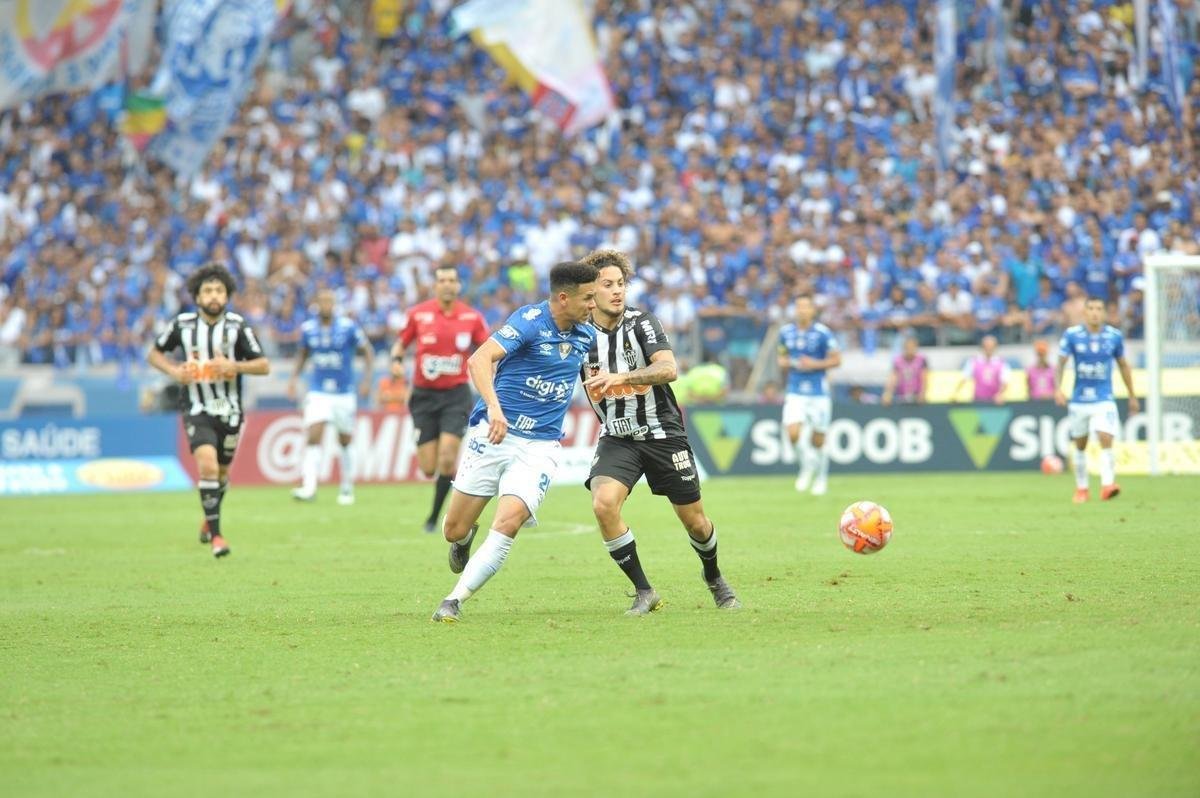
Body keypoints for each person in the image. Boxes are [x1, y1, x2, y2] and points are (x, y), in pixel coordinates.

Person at [430, 261, 598, 623]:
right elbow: (479, 360)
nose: (593, 305)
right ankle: (463, 540)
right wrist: (494, 408)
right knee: (454, 529)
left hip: (541, 446)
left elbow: (597, 376)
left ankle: (453, 600)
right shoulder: (530, 321)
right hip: (496, 433)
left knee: (509, 521)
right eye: (587, 298)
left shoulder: (588, 335)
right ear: (564, 298)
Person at [577, 249, 739, 615]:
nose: (617, 291)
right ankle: (644, 590)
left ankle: (713, 576)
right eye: (608, 285)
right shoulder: (578, 334)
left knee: (695, 521)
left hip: (663, 432)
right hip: (618, 436)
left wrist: (621, 377)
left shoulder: (642, 323)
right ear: (591, 291)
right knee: (603, 505)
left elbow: (668, 369)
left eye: (621, 284)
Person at [147, 263, 270, 558]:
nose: (214, 295)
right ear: (197, 296)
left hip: (229, 410)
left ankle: (209, 516)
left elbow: (264, 365)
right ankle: (217, 537)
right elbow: (154, 354)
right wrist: (175, 372)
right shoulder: (182, 325)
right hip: (196, 406)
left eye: (219, 290)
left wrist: (234, 366)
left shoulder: (238, 326)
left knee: (222, 474)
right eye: (208, 291)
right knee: (208, 467)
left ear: (227, 295)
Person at [391, 265, 490, 533]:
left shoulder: (472, 317)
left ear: (458, 285)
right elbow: (401, 343)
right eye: (442, 280)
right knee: (427, 467)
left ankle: (435, 518)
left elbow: (487, 349)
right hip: (423, 397)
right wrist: (396, 361)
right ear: (435, 286)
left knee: (447, 457)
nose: (447, 284)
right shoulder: (418, 314)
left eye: (452, 280)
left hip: (455, 395)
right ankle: (439, 507)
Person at [286, 288, 374, 505]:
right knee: (313, 435)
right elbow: (302, 355)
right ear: (316, 304)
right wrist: (293, 379)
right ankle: (309, 487)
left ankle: (347, 486)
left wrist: (366, 380)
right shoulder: (308, 329)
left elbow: (368, 352)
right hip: (318, 391)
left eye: (329, 301)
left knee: (344, 440)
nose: (326, 305)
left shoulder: (348, 327)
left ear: (334, 304)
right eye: (322, 301)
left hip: (343, 392)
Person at [1055, 296, 1139, 503]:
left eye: (1099, 308)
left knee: (1105, 437)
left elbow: (1123, 365)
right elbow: (1060, 363)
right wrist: (1058, 389)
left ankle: (1107, 485)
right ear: (1084, 312)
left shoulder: (1114, 336)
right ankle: (1082, 488)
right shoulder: (1072, 335)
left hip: (1104, 397)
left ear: (1104, 313)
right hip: (1079, 399)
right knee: (1080, 445)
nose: (1095, 312)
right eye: (1091, 308)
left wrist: (1132, 394)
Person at [777, 294, 842, 495]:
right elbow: (781, 359)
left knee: (818, 440)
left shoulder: (823, 333)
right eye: (798, 306)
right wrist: (791, 362)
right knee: (792, 433)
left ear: (813, 310)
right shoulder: (786, 332)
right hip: (795, 389)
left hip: (818, 391)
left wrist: (815, 364)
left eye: (806, 306)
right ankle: (806, 466)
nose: (802, 310)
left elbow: (837, 360)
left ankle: (821, 478)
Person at [953, 334, 1010, 404]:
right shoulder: (973, 361)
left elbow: (1005, 382)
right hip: (978, 400)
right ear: (982, 347)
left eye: (991, 346)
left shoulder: (1002, 363)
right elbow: (964, 379)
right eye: (986, 346)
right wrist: (957, 393)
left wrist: (1000, 394)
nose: (989, 349)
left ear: (995, 347)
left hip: (995, 402)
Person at [881, 336, 927, 405]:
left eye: (912, 347)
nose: (910, 349)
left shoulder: (921, 360)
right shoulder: (898, 361)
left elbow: (924, 379)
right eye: (908, 347)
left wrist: (922, 394)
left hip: (917, 396)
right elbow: (893, 379)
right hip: (902, 396)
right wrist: (888, 394)